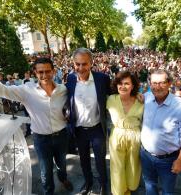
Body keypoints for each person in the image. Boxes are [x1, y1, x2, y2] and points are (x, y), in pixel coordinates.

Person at [0, 42, 73, 195]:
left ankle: (63, 178)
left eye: (47, 71)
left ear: (53, 71)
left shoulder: (63, 90)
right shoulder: (26, 91)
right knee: (46, 171)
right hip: (41, 139)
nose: (44, 75)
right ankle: (49, 192)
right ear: (35, 73)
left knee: (62, 164)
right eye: (40, 72)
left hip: (62, 135)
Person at [140, 69, 181, 195]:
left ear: (169, 83)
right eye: (154, 83)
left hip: (168, 161)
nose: (157, 87)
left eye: (161, 83)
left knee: (168, 191)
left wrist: (180, 160)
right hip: (146, 156)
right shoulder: (146, 98)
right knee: (149, 185)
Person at [66, 48, 110, 195]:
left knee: (100, 161)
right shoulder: (71, 79)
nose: (80, 68)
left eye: (84, 64)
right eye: (77, 64)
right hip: (79, 130)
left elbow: (116, 94)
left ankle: (103, 184)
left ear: (91, 63)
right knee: (84, 160)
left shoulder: (102, 78)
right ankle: (88, 182)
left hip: (97, 128)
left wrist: (137, 95)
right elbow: (67, 99)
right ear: (73, 63)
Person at [106, 71, 143, 195]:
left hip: (135, 137)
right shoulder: (111, 99)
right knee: (117, 166)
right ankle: (119, 191)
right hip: (117, 136)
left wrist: (139, 94)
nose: (123, 86)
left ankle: (131, 187)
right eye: (120, 83)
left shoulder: (141, 100)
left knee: (133, 164)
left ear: (133, 86)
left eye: (127, 84)